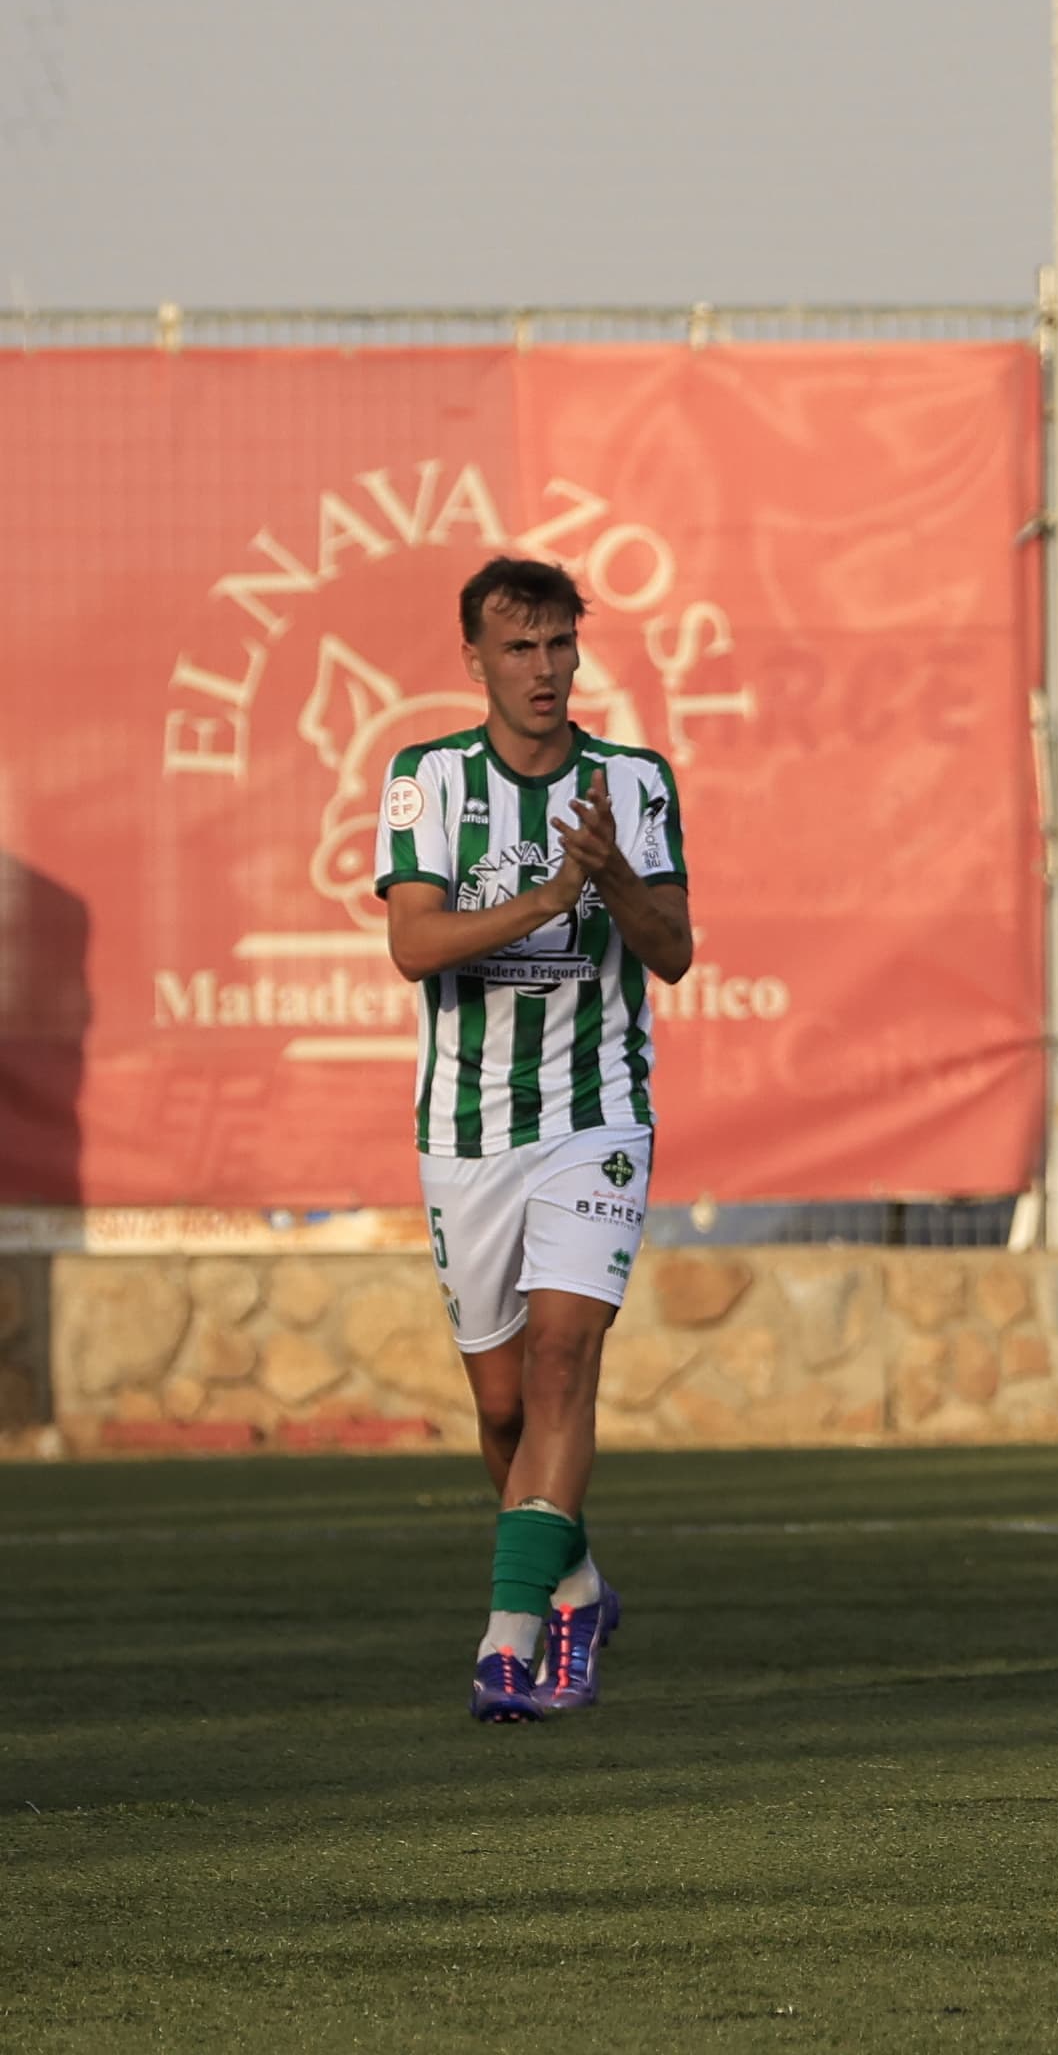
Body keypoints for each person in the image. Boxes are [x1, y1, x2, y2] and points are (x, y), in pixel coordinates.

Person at [377, 555, 693, 1723]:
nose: (546, 669)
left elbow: (673, 951)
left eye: (561, 646)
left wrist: (611, 875)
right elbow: (416, 946)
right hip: (465, 1129)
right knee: (503, 1410)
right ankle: (578, 1583)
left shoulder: (633, 783)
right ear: (476, 661)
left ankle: (512, 1643)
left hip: (596, 1116)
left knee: (566, 1361)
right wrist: (551, 898)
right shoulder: (425, 779)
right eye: (521, 648)